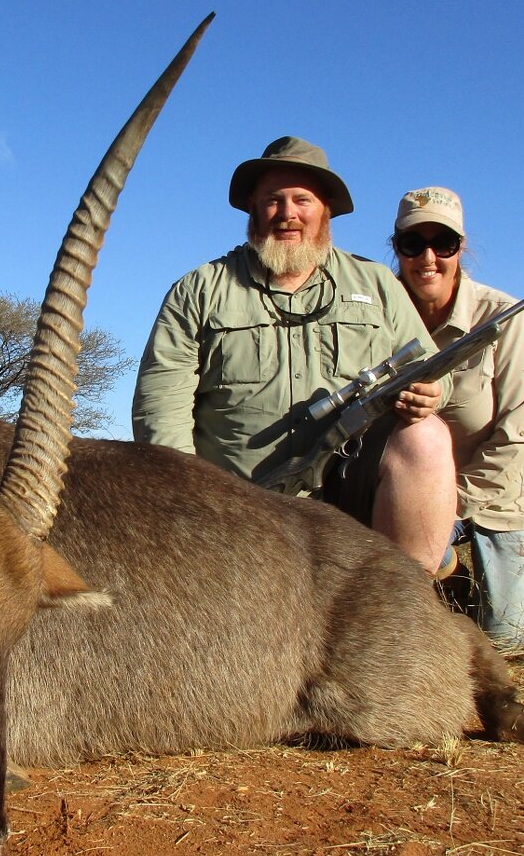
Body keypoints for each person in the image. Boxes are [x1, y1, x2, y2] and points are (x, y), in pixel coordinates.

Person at [131, 136, 456, 576]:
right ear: (252, 210)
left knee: (428, 437)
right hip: (234, 503)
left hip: (346, 489)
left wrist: (431, 392)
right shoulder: (199, 289)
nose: (287, 214)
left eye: (302, 199)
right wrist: (190, 501)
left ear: (326, 210)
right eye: (272, 200)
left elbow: (434, 371)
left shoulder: (377, 283)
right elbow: (160, 409)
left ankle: (411, 600)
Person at [390, 186, 524, 648]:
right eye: (412, 243)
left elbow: (518, 434)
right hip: (425, 487)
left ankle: (457, 585)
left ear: (460, 248)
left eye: (442, 244)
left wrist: (445, 507)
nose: (427, 257)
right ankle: (451, 579)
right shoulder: (380, 317)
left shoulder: (504, 315)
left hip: (508, 492)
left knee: (507, 642)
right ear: (397, 248)